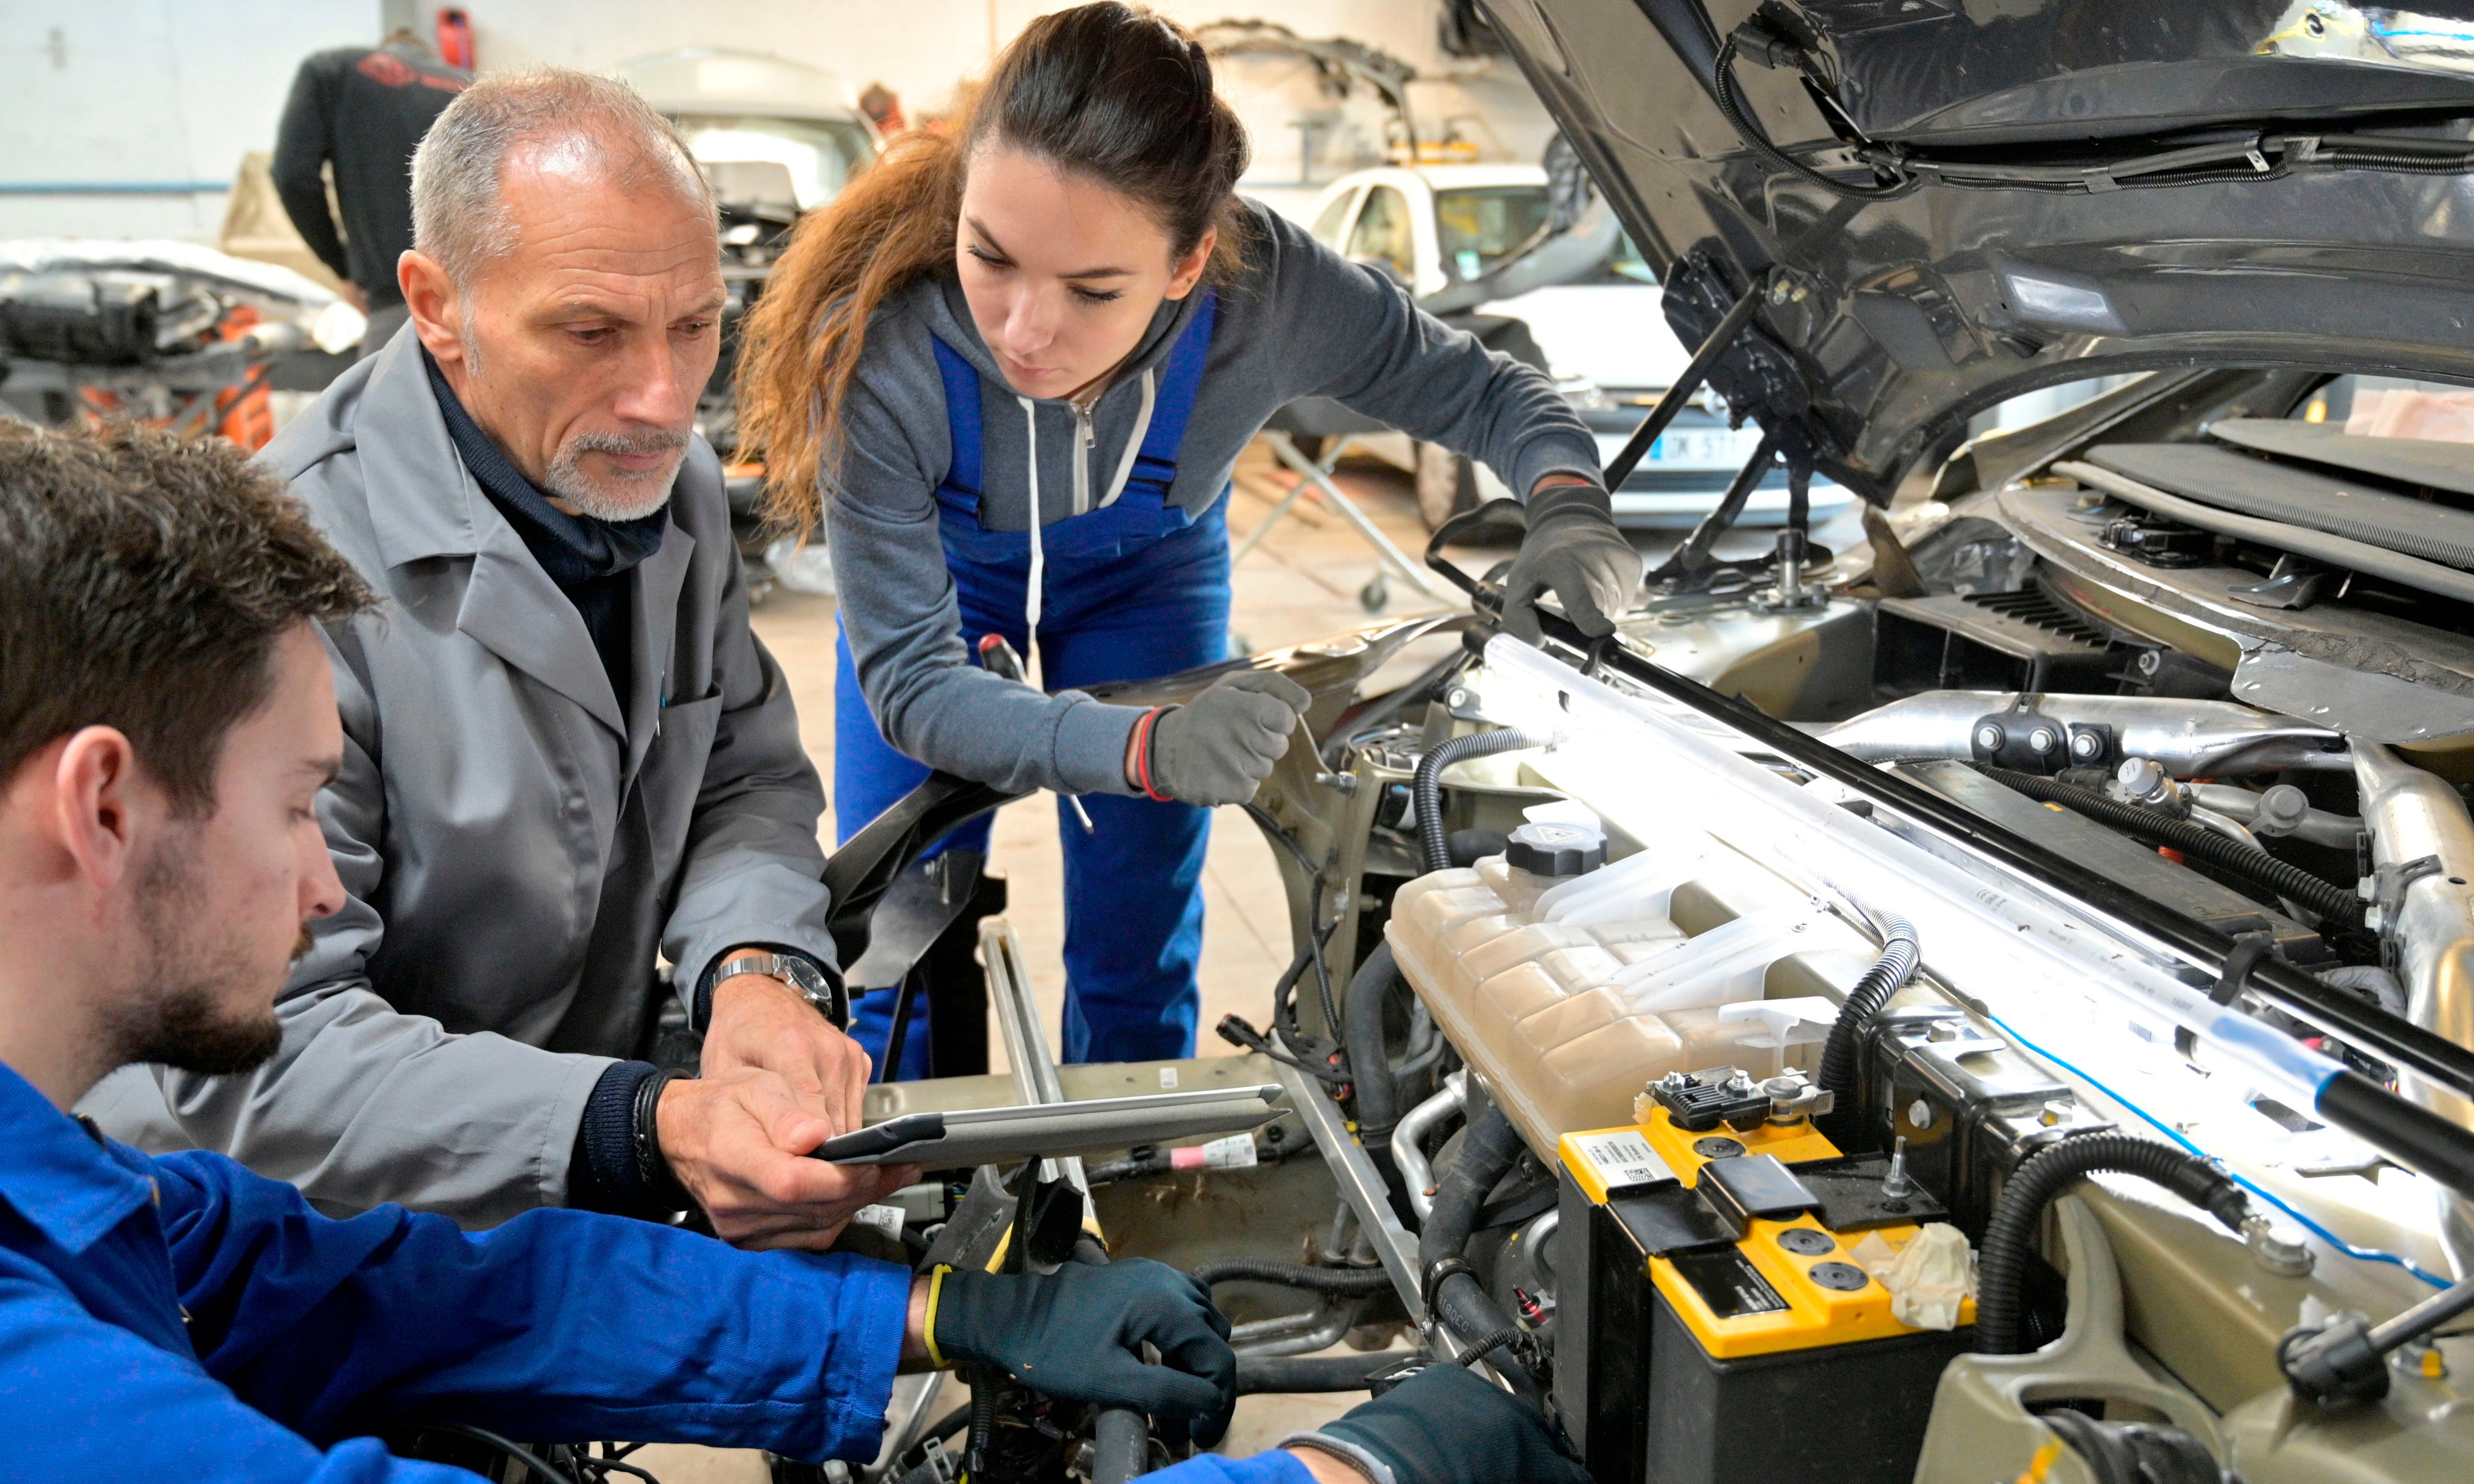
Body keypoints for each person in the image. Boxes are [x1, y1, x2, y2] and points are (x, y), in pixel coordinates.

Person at [0, 418, 1591, 1484]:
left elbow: (423, 1289)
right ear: (102, 801)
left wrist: (937, 1315)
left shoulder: (79, 1187)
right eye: (295, 806)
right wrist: (1344, 1468)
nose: (312, 890)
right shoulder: (43, 1398)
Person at [736, 3, 1643, 1072]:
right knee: (891, 932)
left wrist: (1572, 502)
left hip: (1147, 584)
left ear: (1187, 262)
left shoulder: (1275, 293)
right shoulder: (885, 350)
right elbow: (917, 688)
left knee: (1137, 938)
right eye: (992, 258)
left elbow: (1491, 393)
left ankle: (1132, 1180)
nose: (1026, 330)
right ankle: (892, 1198)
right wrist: (1140, 743)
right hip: (945, 581)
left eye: (1092, 290)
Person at [82, 69, 890, 1248]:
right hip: (304, 1229)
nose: (666, 399)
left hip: (574, 1133)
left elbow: (741, 778)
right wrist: (633, 1123)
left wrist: (756, 968)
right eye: (590, 332)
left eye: (696, 324)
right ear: (437, 303)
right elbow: (259, 1042)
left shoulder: (678, 492)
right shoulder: (269, 581)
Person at [271, 29, 472, 355]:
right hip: (484, 301)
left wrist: (343, 268)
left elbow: (294, 177)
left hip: (399, 305)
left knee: (388, 402)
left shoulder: (331, 71)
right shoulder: (471, 86)